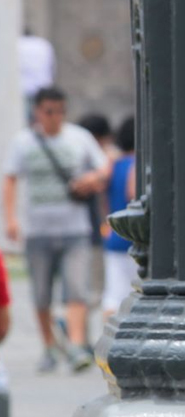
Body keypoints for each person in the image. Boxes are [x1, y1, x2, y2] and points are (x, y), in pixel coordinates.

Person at [3, 87, 110, 373]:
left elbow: (103, 167)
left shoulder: (79, 138)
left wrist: (92, 178)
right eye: (49, 111)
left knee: (77, 288)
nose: (55, 117)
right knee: (41, 294)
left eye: (60, 111)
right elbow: (11, 179)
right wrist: (11, 219)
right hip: (37, 230)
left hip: (75, 228)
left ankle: (75, 345)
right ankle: (49, 346)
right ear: (38, 112)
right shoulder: (23, 142)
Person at [101, 117, 137, 320]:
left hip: (113, 233)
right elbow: (132, 193)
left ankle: (108, 339)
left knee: (112, 296)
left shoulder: (113, 163)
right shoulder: (137, 163)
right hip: (132, 236)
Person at [17, 27, 55, 120]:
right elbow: (51, 65)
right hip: (42, 86)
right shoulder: (43, 44)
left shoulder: (18, 43)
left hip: (23, 87)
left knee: (23, 117)